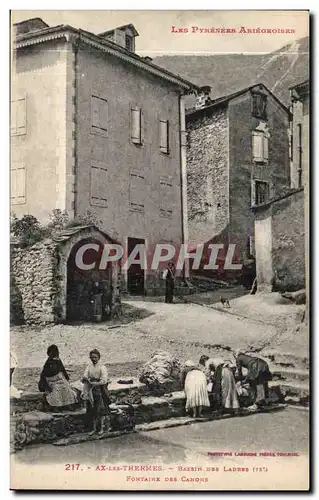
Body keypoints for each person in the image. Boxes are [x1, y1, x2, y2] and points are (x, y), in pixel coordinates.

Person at [81, 349, 111, 435]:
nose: (93, 359)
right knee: (92, 410)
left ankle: (101, 428)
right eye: (92, 357)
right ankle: (94, 429)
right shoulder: (89, 366)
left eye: (95, 357)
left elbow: (104, 380)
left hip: (100, 390)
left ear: (99, 357)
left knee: (100, 411)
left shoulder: (102, 367)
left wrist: (95, 383)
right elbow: (85, 375)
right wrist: (85, 378)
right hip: (91, 390)